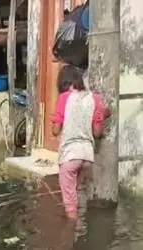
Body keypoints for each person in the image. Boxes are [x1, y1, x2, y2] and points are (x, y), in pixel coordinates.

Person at [52, 70, 112, 219]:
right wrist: (103, 115)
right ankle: (82, 228)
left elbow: (55, 130)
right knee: (79, 194)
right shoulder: (94, 98)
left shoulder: (64, 98)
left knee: (70, 206)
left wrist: (56, 119)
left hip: (69, 156)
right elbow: (97, 132)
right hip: (87, 156)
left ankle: (74, 233)